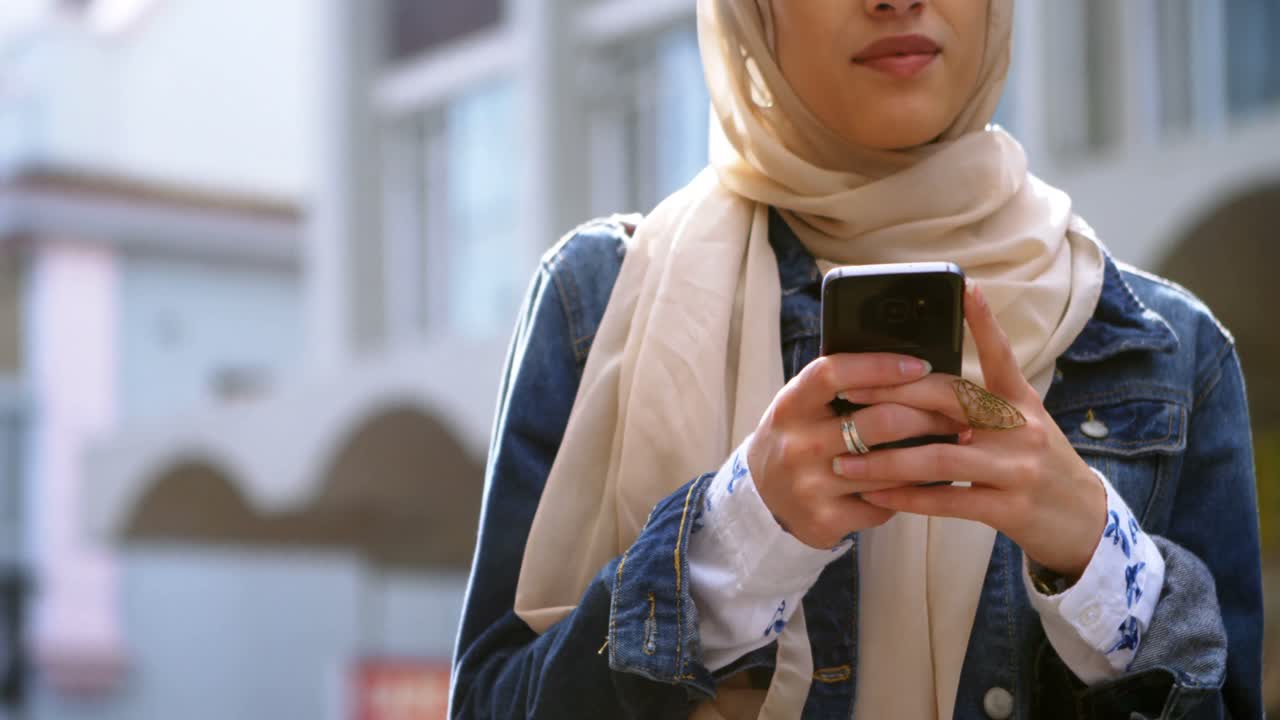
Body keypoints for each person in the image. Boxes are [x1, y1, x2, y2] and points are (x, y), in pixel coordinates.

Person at [450, 0, 1262, 717]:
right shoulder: (599, 299)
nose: (896, 1)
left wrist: (1096, 560)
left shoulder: (1167, 346)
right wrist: (730, 543)